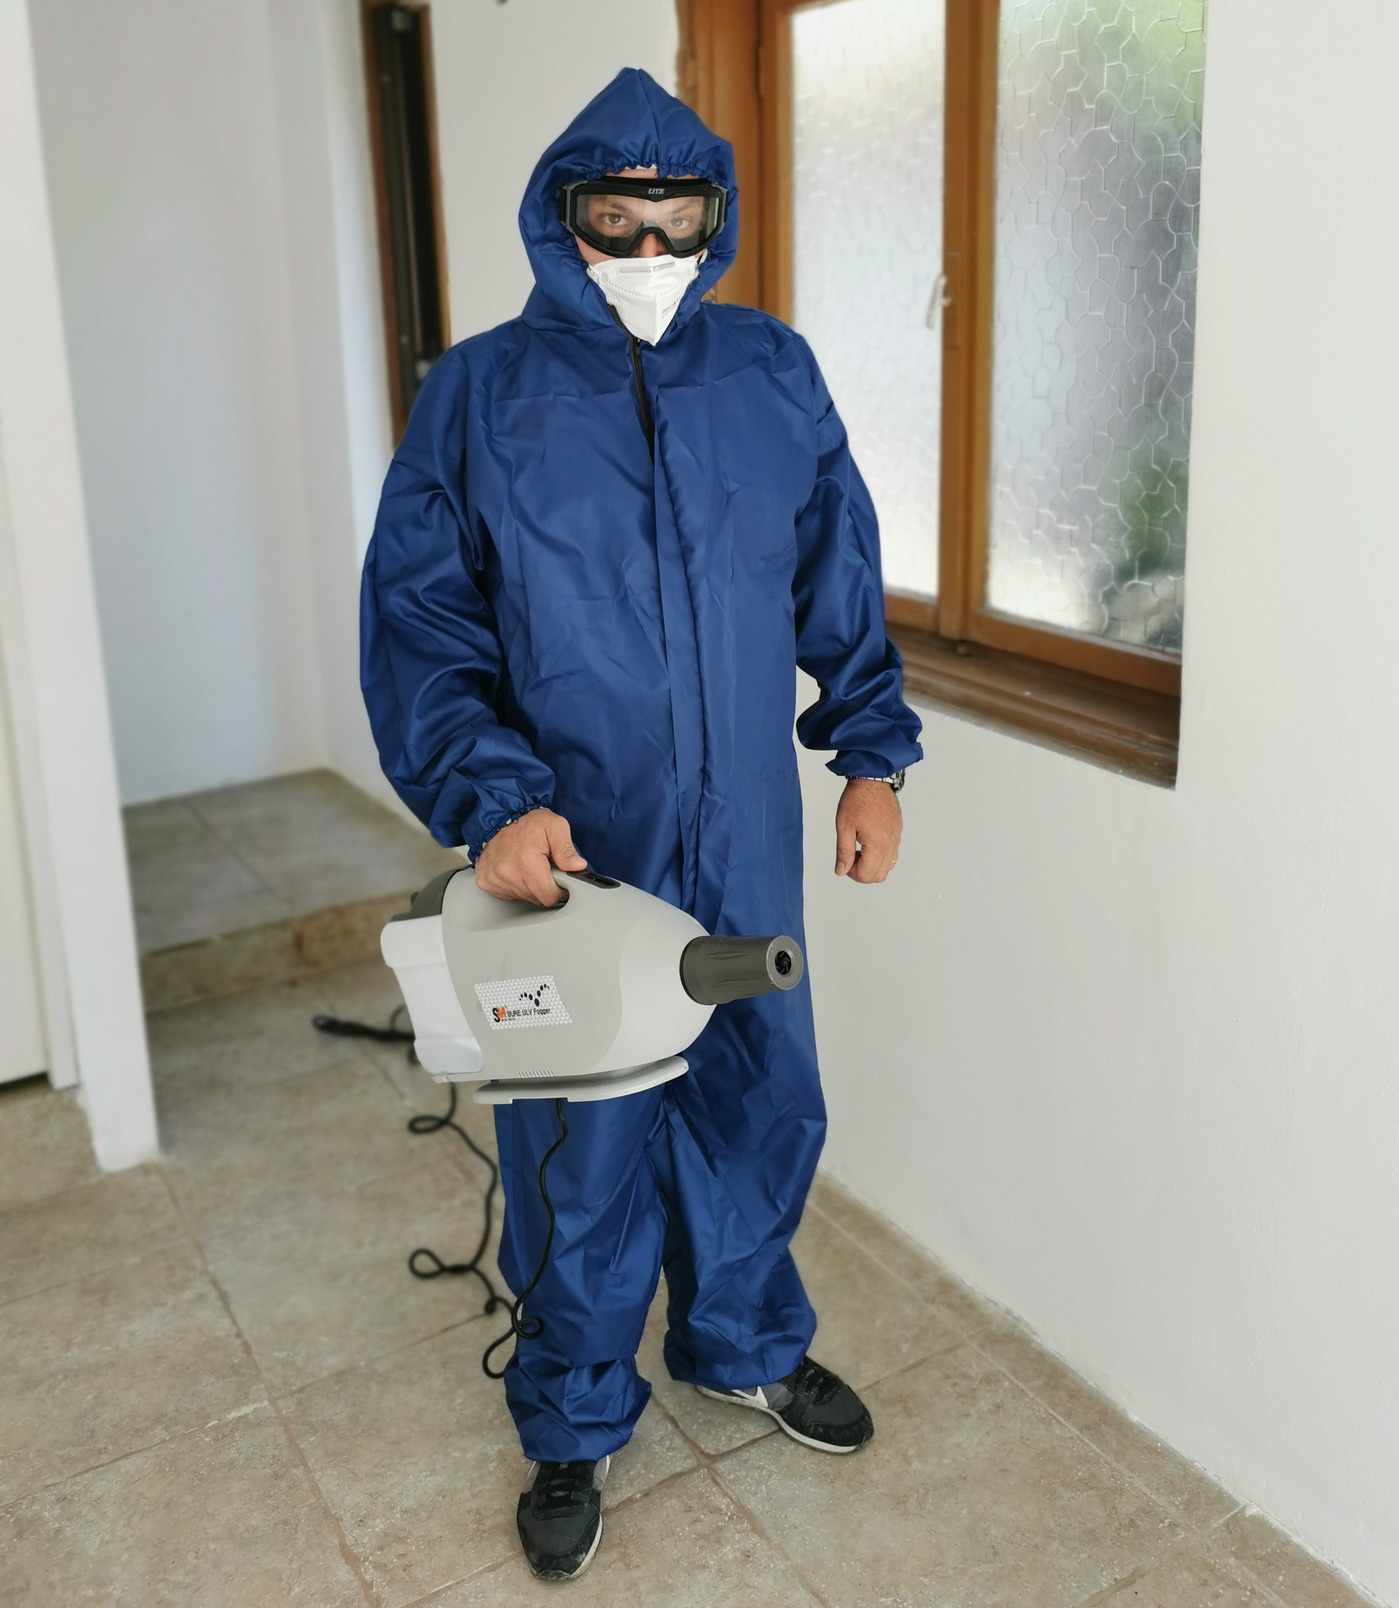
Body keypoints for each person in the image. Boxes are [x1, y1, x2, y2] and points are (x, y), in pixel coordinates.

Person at [360, 66, 922, 1583]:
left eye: (677, 217)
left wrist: (871, 757)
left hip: (744, 838)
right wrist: (492, 803)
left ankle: (741, 1342)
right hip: (573, 846)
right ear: (565, 219)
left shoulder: (771, 373)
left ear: (715, 220)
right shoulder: (480, 397)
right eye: (619, 217)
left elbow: (837, 572)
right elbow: (422, 625)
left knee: (758, 1089)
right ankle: (571, 1412)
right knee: (582, 1132)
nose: (650, 246)